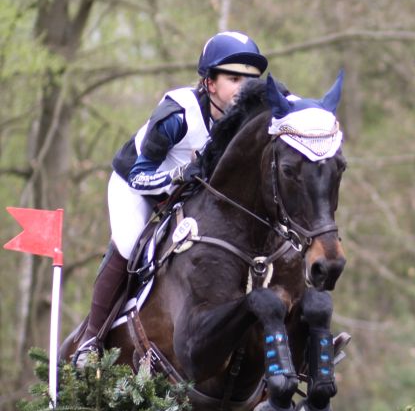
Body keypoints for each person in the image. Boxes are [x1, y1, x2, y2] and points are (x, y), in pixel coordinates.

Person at [73, 31, 269, 367]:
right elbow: (140, 175)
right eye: (234, 79)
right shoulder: (177, 115)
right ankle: (91, 339)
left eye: (250, 80)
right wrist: (178, 175)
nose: (244, 88)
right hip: (136, 185)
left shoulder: (246, 122)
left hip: (188, 193)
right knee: (130, 243)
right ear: (209, 83)